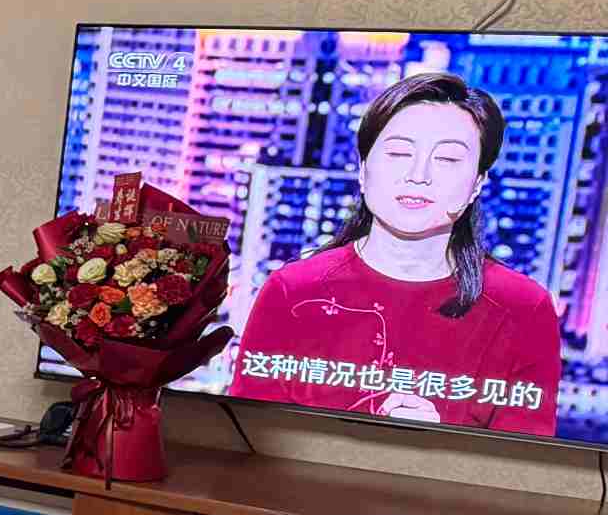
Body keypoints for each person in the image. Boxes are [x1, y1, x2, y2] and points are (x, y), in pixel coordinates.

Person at [230, 71, 562, 436]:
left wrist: (441, 446)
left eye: (448, 159)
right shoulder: (293, 291)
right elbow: (249, 438)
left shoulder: (523, 308)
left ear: (477, 185)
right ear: (363, 170)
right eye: (399, 153)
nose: (419, 175)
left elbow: (522, 460)